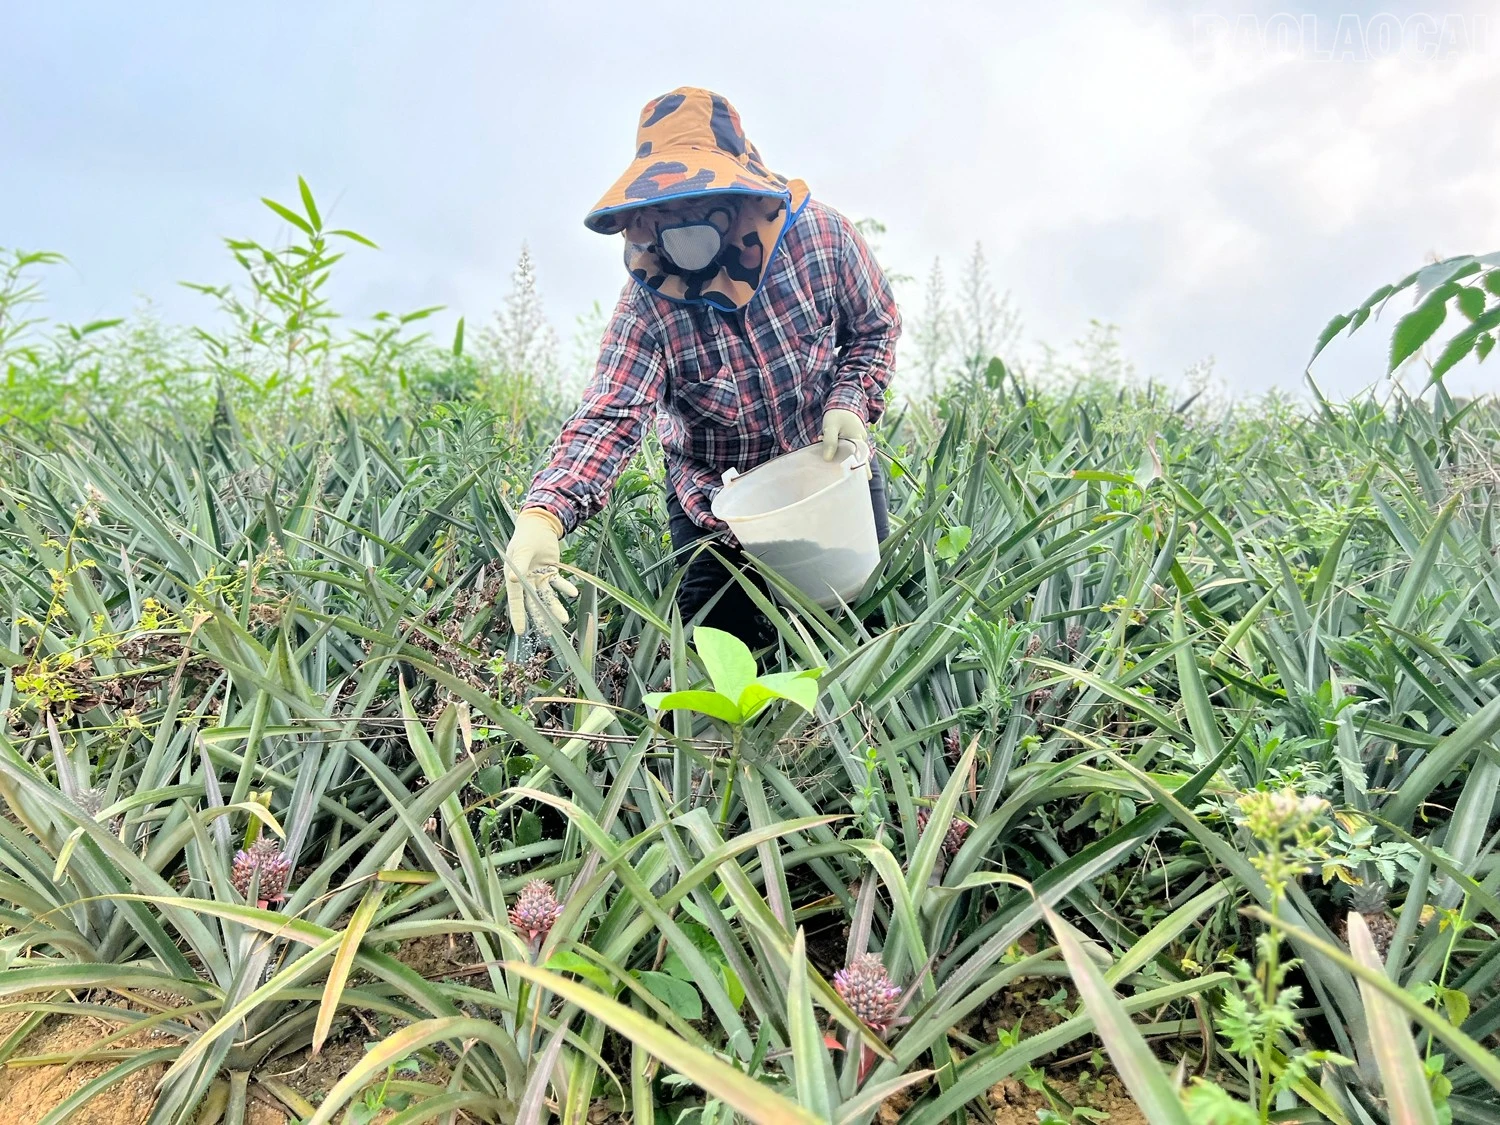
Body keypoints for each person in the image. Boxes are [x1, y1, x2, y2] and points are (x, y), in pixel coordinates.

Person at [503, 87, 900, 642]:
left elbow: (874, 328)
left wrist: (852, 400)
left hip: (828, 477)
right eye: (669, 206)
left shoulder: (821, 240)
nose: (685, 218)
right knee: (714, 652)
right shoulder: (647, 304)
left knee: (862, 629)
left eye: (703, 199)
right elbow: (610, 414)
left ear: (743, 191)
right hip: (714, 500)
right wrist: (543, 514)